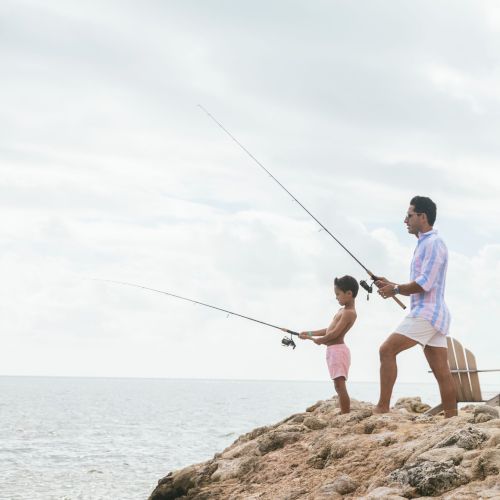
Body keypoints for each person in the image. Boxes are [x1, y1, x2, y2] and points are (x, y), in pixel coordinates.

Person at [375, 196, 457, 418]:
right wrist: (392, 284)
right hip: (433, 314)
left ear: (423, 216)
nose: (405, 220)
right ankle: (452, 419)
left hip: (427, 314)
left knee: (386, 350)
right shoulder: (425, 243)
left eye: (409, 215)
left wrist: (396, 290)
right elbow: (422, 281)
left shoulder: (433, 243)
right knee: (442, 372)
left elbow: (424, 284)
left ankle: (382, 408)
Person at [300, 275, 358, 414]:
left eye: (338, 294)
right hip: (333, 351)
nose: (336, 297)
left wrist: (320, 341)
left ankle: (345, 413)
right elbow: (329, 330)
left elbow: (335, 334)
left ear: (349, 294)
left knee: (340, 385)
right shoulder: (341, 311)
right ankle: (344, 412)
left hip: (338, 351)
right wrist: (309, 334)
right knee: (337, 385)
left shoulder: (350, 313)